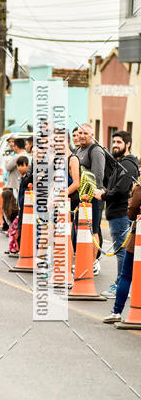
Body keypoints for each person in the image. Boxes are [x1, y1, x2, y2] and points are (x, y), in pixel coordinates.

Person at [93, 130, 139, 297]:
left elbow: (120, 189)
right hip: (115, 213)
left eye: (119, 142)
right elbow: (112, 185)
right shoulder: (120, 163)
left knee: (121, 252)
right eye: (114, 142)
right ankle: (123, 285)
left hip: (120, 213)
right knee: (124, 252)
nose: (115, 145)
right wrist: (101, 190)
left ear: (127, 144)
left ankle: (120, 286)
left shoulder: (127, 165)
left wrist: (104, 195)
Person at [103, 180, 141, 324]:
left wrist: (132, 195)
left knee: (126, 276)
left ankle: (117, 311)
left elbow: (131, 213)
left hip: (137, 241)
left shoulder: (139, 189)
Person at [77, 123, 105, 273]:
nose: (82, 136)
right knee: (83, 230)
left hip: (94, 197)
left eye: (85, 133)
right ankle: (84, 262)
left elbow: (97, 176)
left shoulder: (96, 151)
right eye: (80, 132)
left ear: (92, 135)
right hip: (82, 198)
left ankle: (93, 263)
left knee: (93, 230)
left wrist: (91, 195)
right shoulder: (79, 150)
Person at [3, 138, 28, 230]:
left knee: (13, 208)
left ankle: (13, 227)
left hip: (15, 185)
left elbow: (7, 167)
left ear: (16, 147)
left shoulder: (18, 157)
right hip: (18, 184)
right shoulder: (26, 155)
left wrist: (7, 161)